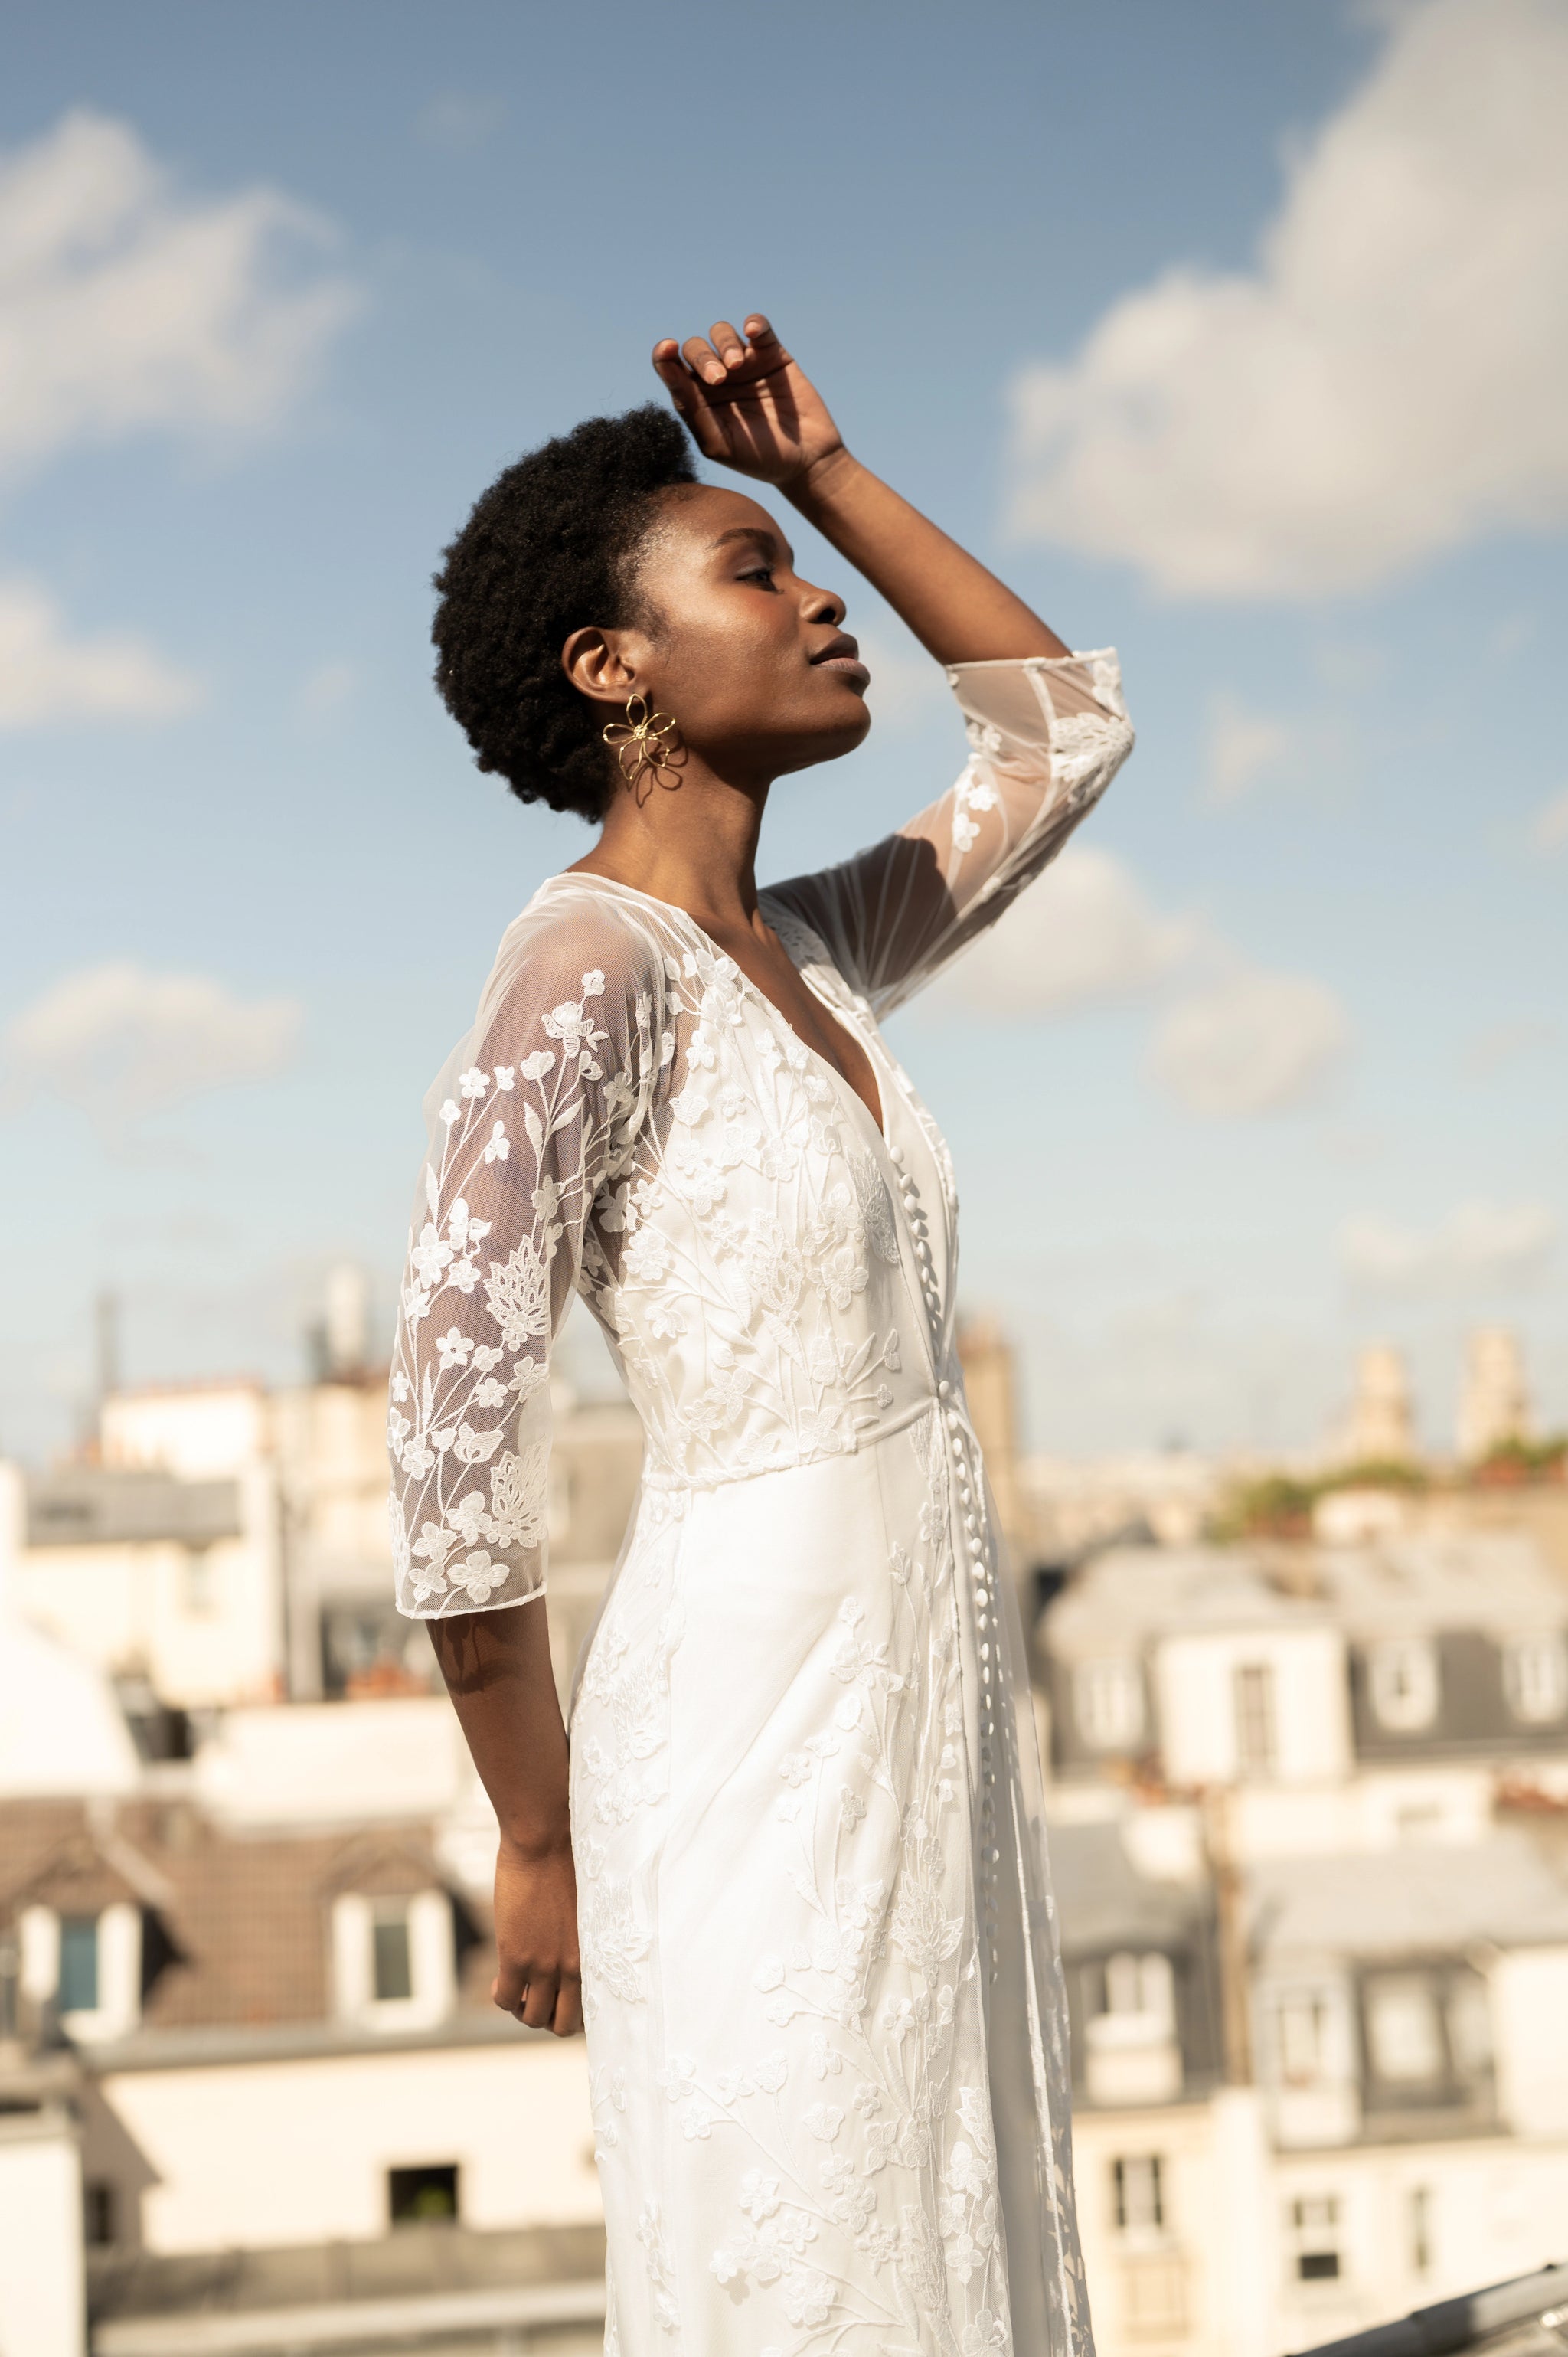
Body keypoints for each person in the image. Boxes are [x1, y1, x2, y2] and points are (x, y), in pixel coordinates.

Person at [389, 314, 1133, 2357]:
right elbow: (455, 1478)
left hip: (925, 1707)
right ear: (609, 673)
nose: (814, 601)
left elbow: (1062, 729)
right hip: (746, 1740)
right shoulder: (577, 972)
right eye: (753, 571)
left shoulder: (825, 942)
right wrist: (534, 1839)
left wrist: (823, 475)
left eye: (793, 563)